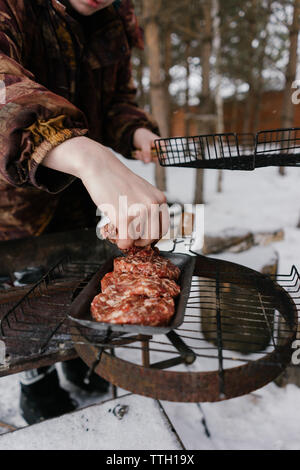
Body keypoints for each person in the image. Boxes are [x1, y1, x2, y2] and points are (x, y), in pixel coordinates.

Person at [0, 0, 169, 424]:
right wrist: (88, 158)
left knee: (82, 285)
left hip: (81, 198)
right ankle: (36, 381)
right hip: (15, 204)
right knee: (30, 301)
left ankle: (78, 357)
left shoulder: (115, 23)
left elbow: (114, 102)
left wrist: (135, 131)